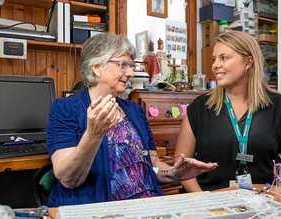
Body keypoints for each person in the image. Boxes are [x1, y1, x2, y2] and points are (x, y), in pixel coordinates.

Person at [46, 34, 218, 207]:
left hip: (146, 208)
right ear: (97, 67)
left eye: (131, 65)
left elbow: (152, 165)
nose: (130, 73)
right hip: (101, 214)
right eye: (122, 65)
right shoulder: (65, 109)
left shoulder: (134, 110)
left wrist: (174, 173)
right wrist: (93, 135)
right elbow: (68, 179)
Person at [175, 31, 281, 192]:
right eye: (214, 59)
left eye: (224, 58)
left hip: (262, 205)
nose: (215, 65)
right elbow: (182, 166)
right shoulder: (200, 107)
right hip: (209, 205)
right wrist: (204, 201)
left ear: (248, 62)